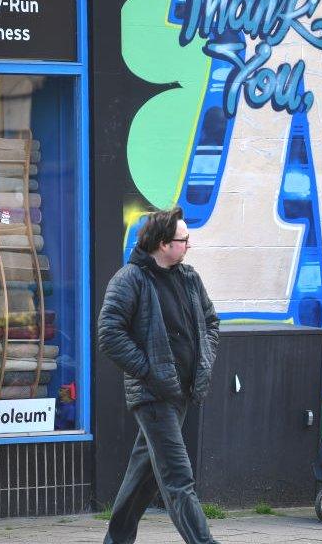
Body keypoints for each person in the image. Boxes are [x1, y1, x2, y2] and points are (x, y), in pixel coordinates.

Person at [98, 206, 221, 543]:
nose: (189, 244)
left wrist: (205, 357)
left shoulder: (189, 277)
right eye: (184, 239)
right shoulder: (131, 279)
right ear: (164, 244)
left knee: (145, 474)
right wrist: (148, 371)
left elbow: (211, 322)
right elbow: (109, 334)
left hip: (181, 391)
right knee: (179, 479)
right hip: (153, 396)